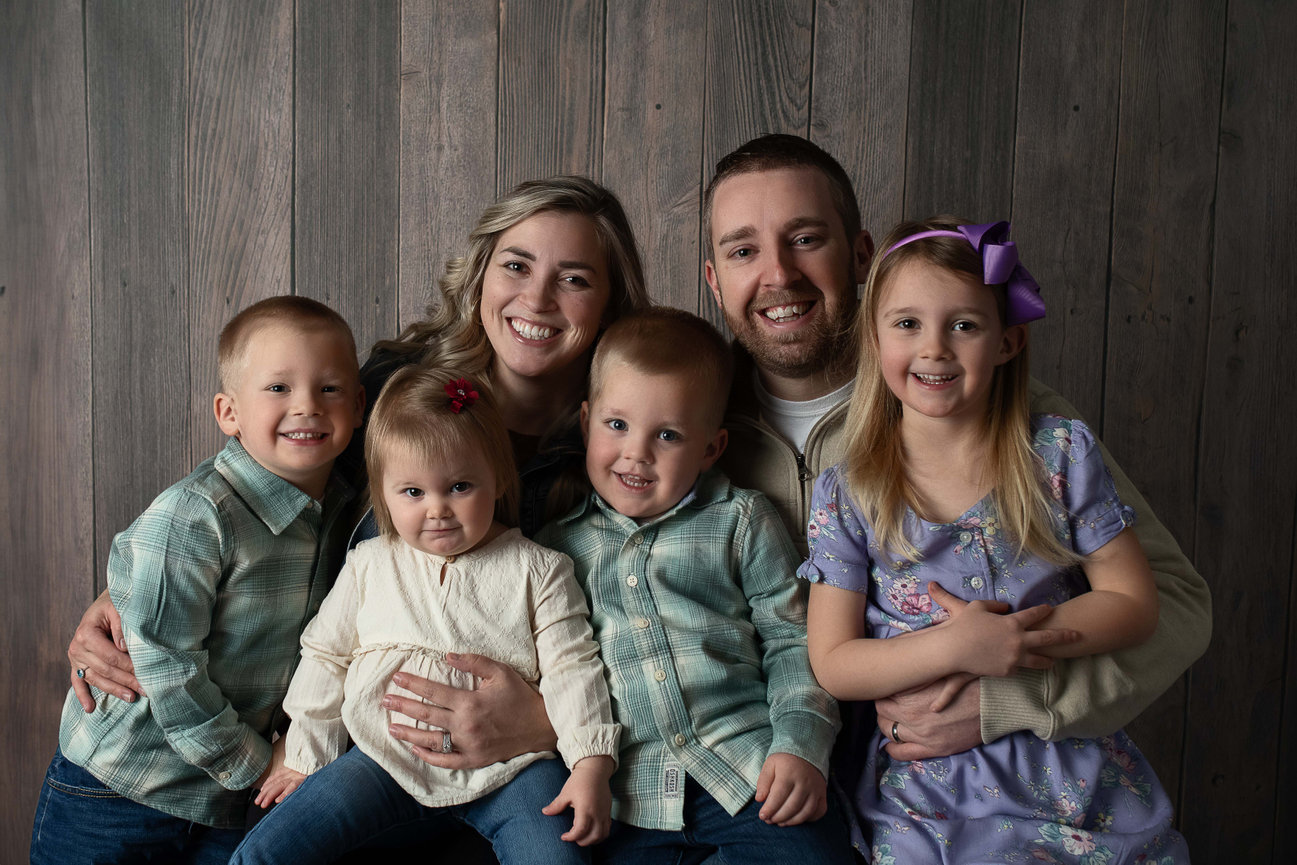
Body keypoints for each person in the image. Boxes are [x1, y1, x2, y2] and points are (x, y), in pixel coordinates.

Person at [65, 175, 651, 772]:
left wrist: (548, 725)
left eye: (575, 279)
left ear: (610, 304)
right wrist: (136, 589)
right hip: (350, 747)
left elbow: (668, 625)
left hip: (528, 765)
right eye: (517, 266)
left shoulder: (636, 448)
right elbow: (264, 493)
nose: (538, 298)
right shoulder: (390, 390)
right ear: (480, 277)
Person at [702, 134, 1211, 762]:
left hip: (966, 774)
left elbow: (1175, 606)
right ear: (715, 280)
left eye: (806, 239)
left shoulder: (1014, 420)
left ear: (863, 256)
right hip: (759, 789)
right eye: (743, 250)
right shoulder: (673, 427)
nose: (778, 274)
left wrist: (1007, 702)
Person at [800, 217, 1189, 861]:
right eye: (906, 324)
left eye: (964, 325)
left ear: (1007, 341)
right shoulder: (851, 492)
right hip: (926, 792)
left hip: (1065, 763)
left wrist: (1013, 643)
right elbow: (835, 662)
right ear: (872, 339)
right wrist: (957, 646)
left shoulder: (1058, 455)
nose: (935, 348)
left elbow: (1132, 602)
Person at [230, 367, 619, 864]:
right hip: (382, 758)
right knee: (270, 847)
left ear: (497, 477)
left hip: (512, 768)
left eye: (459, 486)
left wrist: (591, 764)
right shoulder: (370, 563)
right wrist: (307, 757)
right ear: (384, 493)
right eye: (413, 492)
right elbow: (326, 658)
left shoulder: (539, 569)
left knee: (556, 854)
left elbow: (573, 668)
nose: (437, 509)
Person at [32, 296, 365, 864]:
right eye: (278, 388)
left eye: (330, 388)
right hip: (122, 790)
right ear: (228, 413)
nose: (307, 405)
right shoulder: (194, 516)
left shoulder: (348, 511)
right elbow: (169, 669)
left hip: (226, 807)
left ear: (359, 406)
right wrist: (262, 765)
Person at [535, 308, 855, 864]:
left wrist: (801, 745)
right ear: (585, 422)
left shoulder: (741, 520)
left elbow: (793, 639)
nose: (637, 453)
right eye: (616, 425)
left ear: (711, 448)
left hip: (748, 772)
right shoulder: (555, 550)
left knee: (812, 854)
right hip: (628, 799)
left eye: (668, 434)